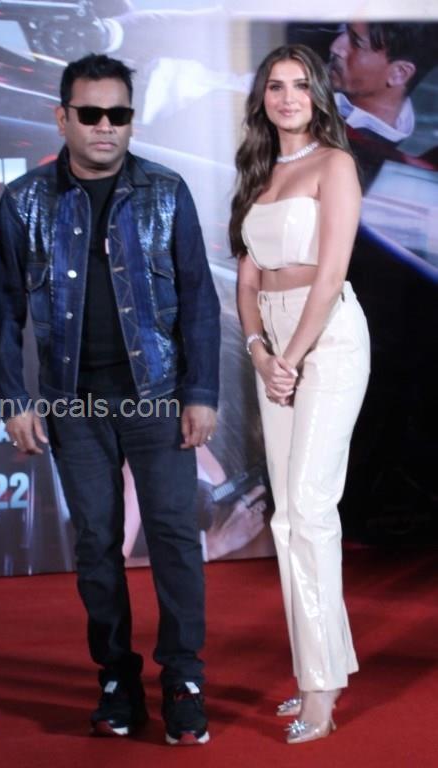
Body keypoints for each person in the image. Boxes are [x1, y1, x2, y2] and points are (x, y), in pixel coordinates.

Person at [0, 54, 220, 746]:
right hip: (73, 405)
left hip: (158, 398)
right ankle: (116, 677)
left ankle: (182, 678)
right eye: (89, 113)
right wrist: (13, 399)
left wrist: (201, 392)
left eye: (117, 114)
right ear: (62, 117)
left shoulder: (166, 191)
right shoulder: (24, 201)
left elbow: (198, 302)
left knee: (174, 538)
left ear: (130, 120)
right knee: (96, 544)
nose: (104, 126)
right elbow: (2, 311)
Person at [230, 44, 370, 744]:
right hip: (274, 343)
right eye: (275, 86)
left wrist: (289, 356)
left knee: (310, 511)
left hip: (329, 336)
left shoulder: (334, 164)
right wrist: (260, 351)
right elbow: (247, 280)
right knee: (287, 517)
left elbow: (331, 271)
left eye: (300, 85)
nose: (287, 97)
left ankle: (319, 689)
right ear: (262, 98)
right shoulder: (257, 172)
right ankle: (321, 669)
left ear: (317, 95)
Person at [328, 22, 437, 188]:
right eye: (343, 31)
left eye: (356, 43)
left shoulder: (390, 168)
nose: (336, 47)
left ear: (399, 73)